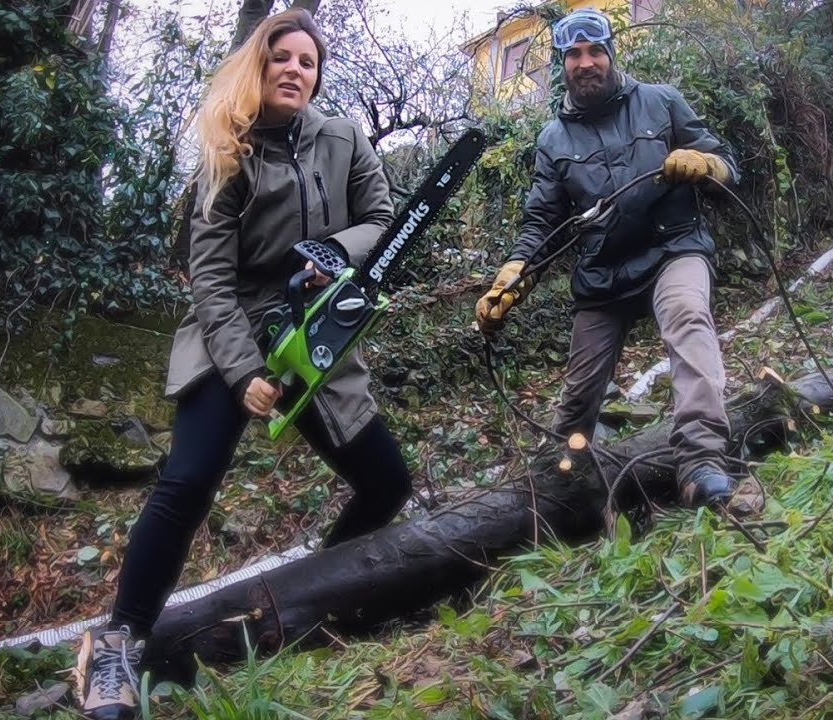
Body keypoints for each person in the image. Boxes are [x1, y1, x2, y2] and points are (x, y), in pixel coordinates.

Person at [76, 10, 413, 719]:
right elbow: (210, 281)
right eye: (281, 57)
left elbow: (382, 220)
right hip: (229, 327)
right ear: (258, 67)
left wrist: (333, 254)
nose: (295, 69)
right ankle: (117, 644)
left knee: (386, 481)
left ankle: (310, 601)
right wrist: (241, 375)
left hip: (312, 323)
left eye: (308, 62)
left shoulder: (345, 138)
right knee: (187, 482)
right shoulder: (226, 151)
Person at [475, 8, 740, 509]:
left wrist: (707, 165)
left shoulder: (662, 102)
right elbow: (543, 222)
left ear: (611, 54)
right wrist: (513, 273)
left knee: (687, 317)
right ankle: (560, 485)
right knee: (578, 396)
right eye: (574, 54)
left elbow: (729, 163)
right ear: (562, 65)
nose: (585, 62)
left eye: (595, 51)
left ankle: (700, 462)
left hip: (672, 247)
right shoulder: (553, 139)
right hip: (603, 273)